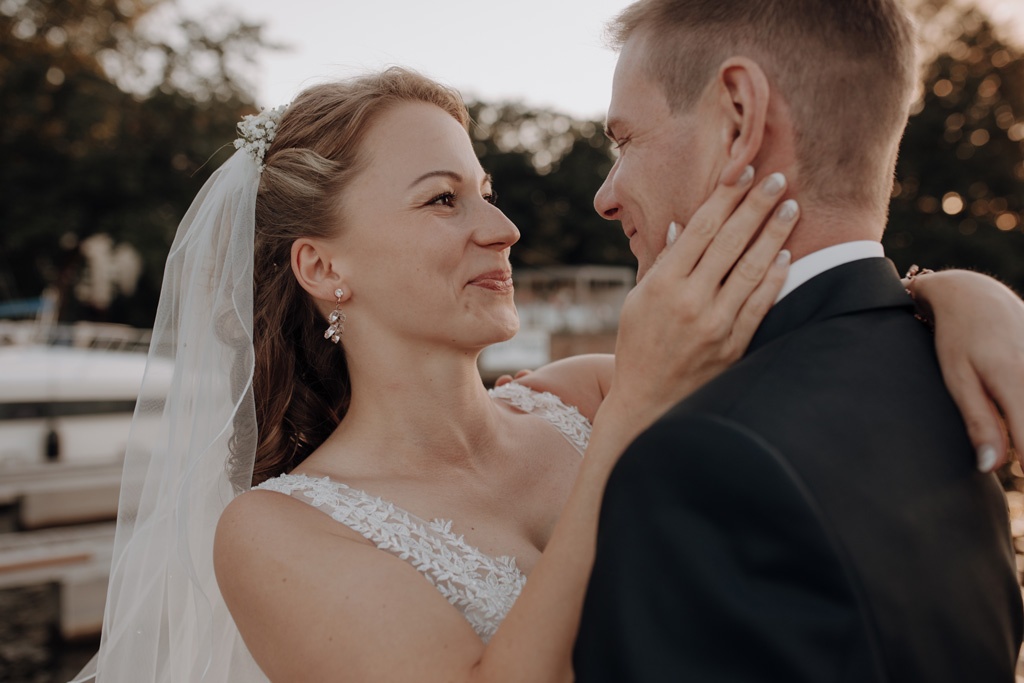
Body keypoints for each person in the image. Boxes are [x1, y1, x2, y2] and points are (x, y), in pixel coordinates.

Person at [71, 66, 1024, 682]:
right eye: (443, 200)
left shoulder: (585, 392)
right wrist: (638, 407)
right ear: (324, 267)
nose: (503, 230)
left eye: (486, 192)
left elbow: (823, 350)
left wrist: (958, 296)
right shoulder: (274, 530)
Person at [573, 1, 1024, 681]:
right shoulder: (954, 375)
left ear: (738, 118)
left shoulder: (700, 460)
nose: (607, 196)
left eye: (625, 140)